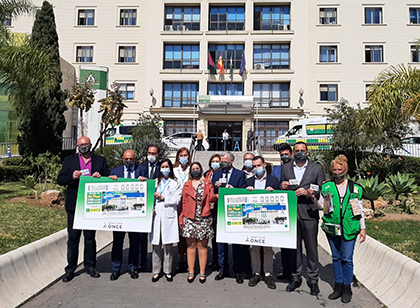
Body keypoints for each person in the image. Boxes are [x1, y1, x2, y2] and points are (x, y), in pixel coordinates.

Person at [57, 136, 110, 283]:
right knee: (73, 238)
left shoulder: (100, 161)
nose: (84, 147)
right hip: (74, 204)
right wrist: (71, 176)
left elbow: (109, 177)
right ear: (77, 146)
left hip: (92, 204)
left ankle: (90, 266)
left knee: (89, 238)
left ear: (90, 145)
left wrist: (100, 177)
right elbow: (60, 179)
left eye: (86, 144)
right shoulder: (69, 160)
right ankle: (70, 268)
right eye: (81, 145)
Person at [280, 141, 325, 295]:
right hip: (292, 212)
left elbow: (320, 188)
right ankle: (296, 277)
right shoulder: (286, 168)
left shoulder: (317, 168)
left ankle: (313, 279)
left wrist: (308, 192)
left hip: (309, 212)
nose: (300, 152)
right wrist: (283, 185)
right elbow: (281, 186)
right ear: (293, 153)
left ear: (307, 152)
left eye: (302, 150)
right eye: (297, 150)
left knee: (311, 248)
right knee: (295, 248)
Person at [320, 155, 366, 303]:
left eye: (339, 169)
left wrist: (363, 228)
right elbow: (322, 206)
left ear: (345, 170)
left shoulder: (355, 188)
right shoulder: (327, 187)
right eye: (334, 169)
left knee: (346, 258)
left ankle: (347, 288)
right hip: (332, 227)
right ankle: (337, 286)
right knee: (336, 258)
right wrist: (313, 198)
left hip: (349, 228)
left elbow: (359, 211)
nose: (337, 172)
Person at [211, 152, 248, 284]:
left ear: (231, 161)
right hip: (220, 213)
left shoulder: (239, 174)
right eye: (221, 161)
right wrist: (215, 190)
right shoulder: (216, 174)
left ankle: (238, 270)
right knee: (221, 244)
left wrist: (233, 190)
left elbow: (243, 191)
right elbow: (211, 193)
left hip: (235, 213)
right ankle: (223, 269)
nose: (222, 163)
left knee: (237, 244)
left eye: (225, 161)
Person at [179, 162, 217, 283]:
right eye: (194, 169)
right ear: (191, 171)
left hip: (204, 218)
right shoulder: (186, 185)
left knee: (202, 246)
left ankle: (202, 272)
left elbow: (211, 198)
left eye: (198, 168)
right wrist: (182, 217)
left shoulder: (207, 183)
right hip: (189, 218)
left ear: (201, 170)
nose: (196, 170)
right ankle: (191, 271)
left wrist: (220, 193)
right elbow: (183, 202)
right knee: (190, 246)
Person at [245, 156, 279, 289]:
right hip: (253, 219)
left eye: (258, 165)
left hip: (268, 219)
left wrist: (274, 191)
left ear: (264, 165)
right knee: (254, 247)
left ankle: (268, 274)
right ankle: (256, 273)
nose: (256, 168)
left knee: (268, 248)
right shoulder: (248, 182)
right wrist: (246, 192)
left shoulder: (274, 181)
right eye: (254, 166)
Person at [108, 150, 142, 281]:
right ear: (122, 159)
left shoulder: (141, 171)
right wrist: (111, 180)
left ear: (135, 159)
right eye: (126, 159)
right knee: (117, 242)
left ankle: (133, 267)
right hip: (119, 213)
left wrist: (144, 181)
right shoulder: (115, 171)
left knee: (134, 242)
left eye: (131, 159)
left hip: (135, 213)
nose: (129, 161)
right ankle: (116, 268)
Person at [150, 158, 182, 283]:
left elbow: (176, 199)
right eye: (162, 166)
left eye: (166, 166)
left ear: (170, 168)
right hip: (156, 215)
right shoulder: (154, 182)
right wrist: (151, 208)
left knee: (168, 246)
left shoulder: (175, 183)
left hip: (169, 215)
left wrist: (163, 198)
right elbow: (147, 198)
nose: (164, 169)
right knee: (156, 245)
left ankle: (168, 271)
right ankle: (156, 271)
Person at [271, 143, 294, 281]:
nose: (284, 157)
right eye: (282, 155)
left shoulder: (297, 168)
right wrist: (280, 185)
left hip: (295, 208)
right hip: (281, 209)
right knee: (284, 243)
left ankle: (295, 272)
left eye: (286, 154)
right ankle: (286, 271)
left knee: (295, 244)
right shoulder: (276, 170)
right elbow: (275, 184)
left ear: (291, 154)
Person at [137, 145, 161, 271]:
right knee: (142, 236)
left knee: (158, 234)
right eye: (149, 153)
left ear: (158, 155)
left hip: (158, 205)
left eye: (154, 153)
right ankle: (142, 261)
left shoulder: (162, 168)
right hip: (143, 205)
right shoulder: (141, 167)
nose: (151, 155)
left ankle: (158, 262)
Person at [173, 147, 191, 273]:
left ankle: (190, 261)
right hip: (176, 206)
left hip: (189, 205)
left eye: (186, 155)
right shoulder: (173, 170)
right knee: (180, 236)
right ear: (178, 157)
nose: (183, 157)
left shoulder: (193, 170)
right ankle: (182, 260)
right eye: (181, 155)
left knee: (188, 234)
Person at [204, 154, 221, 269]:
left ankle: (220, 261)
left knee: (218, 236)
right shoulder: (206, 174)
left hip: (218, 207)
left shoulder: (221, 174)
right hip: (207, 207)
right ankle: (214, 259)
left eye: (217, 161)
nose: (215, 163)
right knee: (212, 237)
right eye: (213, 161)